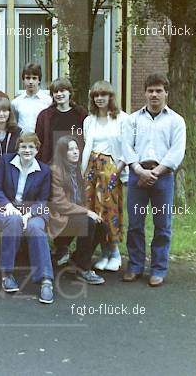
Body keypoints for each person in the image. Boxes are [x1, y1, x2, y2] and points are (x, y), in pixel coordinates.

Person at [121, 73, 186, 287]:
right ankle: (135, 265)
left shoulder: (176, 121)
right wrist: (140, 171)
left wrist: (155, 173)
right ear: (145, 93)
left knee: (162, 225)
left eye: (159, 90)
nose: (154, 95)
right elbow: (127, 147)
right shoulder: (133, 119)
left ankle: (158, 268)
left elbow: (176, 152)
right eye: (150, 91)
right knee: (135, 225)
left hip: (163, 178)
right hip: (137, 175)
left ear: (166, 93)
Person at [0, 132, 54, 304]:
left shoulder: (44, 170)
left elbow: (43, 199)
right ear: (18, 148)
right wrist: (9, 206)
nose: (27, 150)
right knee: (13, 220)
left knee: (35, 227)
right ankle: (7, 274)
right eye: (23, 146)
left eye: (31, 147)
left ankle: (46, 280)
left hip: (33, 211)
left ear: (37, 150)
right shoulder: (5, 162)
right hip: (8, 207)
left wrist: (29, 214)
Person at [82, 81, 129, 271]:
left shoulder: (122, 119)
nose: (99, 98)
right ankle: (104, 253)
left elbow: (127, 148)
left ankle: (115, 253)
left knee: (110, 211)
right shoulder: (89, 120)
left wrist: (117, 170)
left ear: (111, 97)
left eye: (103, 95)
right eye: (96, 95)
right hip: (92, 170)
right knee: (94, 212)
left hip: (111, 169)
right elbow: (87, 146)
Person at [47, 136, 105, 284]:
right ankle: (83, 269)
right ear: (62, 152)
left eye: (76, 148)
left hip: (71, 214)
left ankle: (78, 259)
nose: (75, 152)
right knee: (88, 222)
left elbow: (80, 198)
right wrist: (86, 212)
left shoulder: (76, 168)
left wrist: (89, 211)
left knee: (101, 225)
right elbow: (59, 203)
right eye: (70, 150)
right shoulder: (55, 170)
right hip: (58, 217)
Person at [35, 77, 88, 164]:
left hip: (77, 166)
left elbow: (86, 141)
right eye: (56, 92)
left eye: (62, 91)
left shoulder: (81, 114)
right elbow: (38, 143)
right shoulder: (44, 116)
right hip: (52, 167)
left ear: (70, 92)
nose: (59, 94)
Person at [11, 62, 52, 134]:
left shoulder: (48, 101)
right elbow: (14, 124)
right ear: (23, 80)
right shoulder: (16, 102)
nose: (31, 82)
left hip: (41, 141)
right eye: (28, 78)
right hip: (23, 142)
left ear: (39, 80)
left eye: (34, 78)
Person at [0, 97, 22, 173]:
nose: (1, 114)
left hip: (11, 172)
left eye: (5, 111)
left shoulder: (17, 132)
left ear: (10, 112)